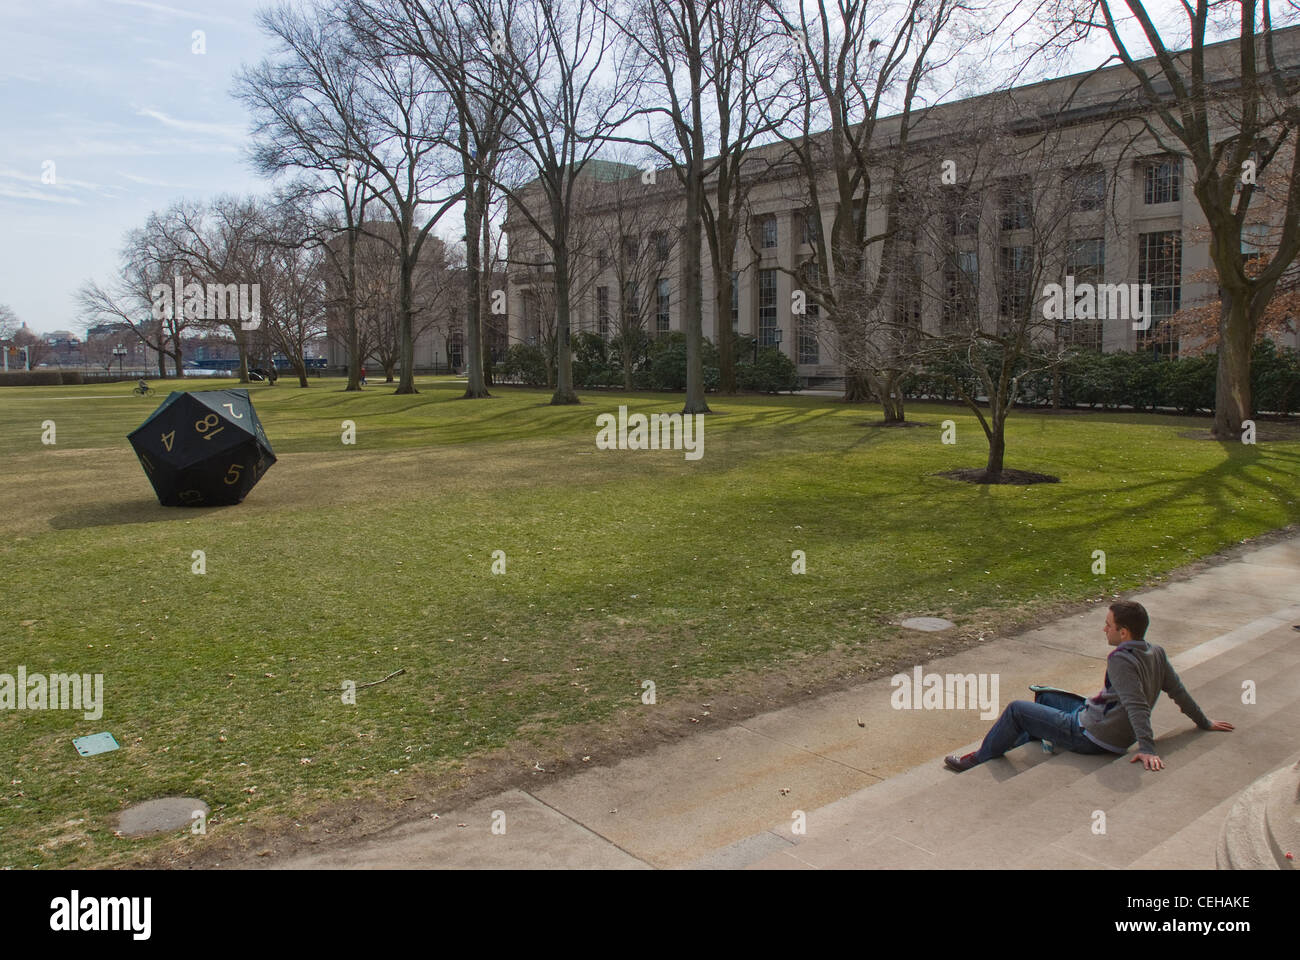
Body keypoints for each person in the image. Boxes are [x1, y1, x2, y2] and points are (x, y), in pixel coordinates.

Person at [944, 600, 1234, 773]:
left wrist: (1147, 747)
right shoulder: (1155, 651)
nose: (1103, 629)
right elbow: (1178, 691)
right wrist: (1203, 721)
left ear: (1124, 632)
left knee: (1017, 710)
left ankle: (978, 759)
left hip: (1091, 735)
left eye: (1108, 625)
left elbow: (1137, 705)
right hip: (1098, 717)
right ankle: (1031, 735)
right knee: (1046, 696)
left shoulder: (1120, 659)